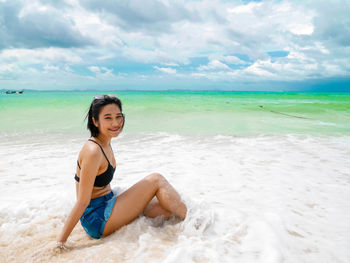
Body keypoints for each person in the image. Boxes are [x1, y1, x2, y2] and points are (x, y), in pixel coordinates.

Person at [56, 94, 187, 249]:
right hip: (97, 218)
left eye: (118, 117)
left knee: (167, 210)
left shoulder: (105, 142)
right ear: (95, 121)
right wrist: (59, 243)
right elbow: (83, 201)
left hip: (108, 202)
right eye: (108, 118)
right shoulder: (93, 151)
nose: (116, 123)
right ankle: (197, 220)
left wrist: (110, 99)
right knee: (156, 179)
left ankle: (194, 231)